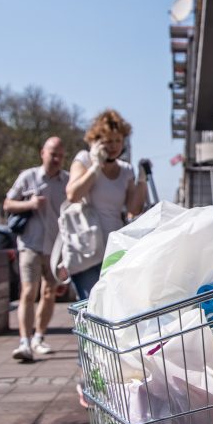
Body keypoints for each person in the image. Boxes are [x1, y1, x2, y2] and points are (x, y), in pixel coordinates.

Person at [65, 109, 149, 300]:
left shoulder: (126, 170)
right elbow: (73, 194)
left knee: (112, 306)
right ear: (96, 140)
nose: (113, 146)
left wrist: (142, 180)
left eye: (118, 141)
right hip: (86, 248)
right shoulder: (84, 160)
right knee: (91, 305)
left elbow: (133, 209)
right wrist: (95, 166)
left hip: (113, 249)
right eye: (108, 141)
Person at [4, 136, 68, 362]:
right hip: (29, 245)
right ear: (43, 153)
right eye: (53, 154)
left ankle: (39, 337)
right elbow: (8, 204)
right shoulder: (27, 177)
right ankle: (24, 341)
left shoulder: (67, 181)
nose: (57, 159)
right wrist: (29, 204)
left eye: (60, 155)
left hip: (55, 248)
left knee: (49, 294)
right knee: (28, 291)